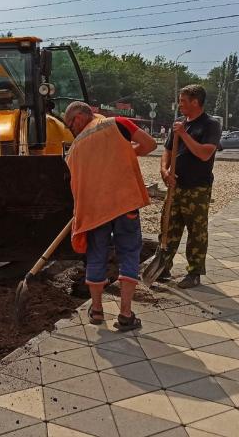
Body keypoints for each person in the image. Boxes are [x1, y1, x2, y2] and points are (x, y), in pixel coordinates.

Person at [64, 102, 157, 331]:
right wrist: (125, 154)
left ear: (78, 118)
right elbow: (150, 144)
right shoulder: (117, 123)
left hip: (96, 211)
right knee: (129, 253)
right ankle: (126, 315)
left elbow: (75, 186)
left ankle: (96, 311)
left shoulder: (74, 149)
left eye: (69, 125)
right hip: (124, 204)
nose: (70, 130)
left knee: (96, 255)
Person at [159, 85, 221, 289]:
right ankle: (163, 267)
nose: (180, 104)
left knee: (197, 231)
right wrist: (164, 170)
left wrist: (184, 135)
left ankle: (194, 272)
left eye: (183, 100)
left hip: (197, 188)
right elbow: (167, 150)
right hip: (175, 185)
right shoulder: (178, 123)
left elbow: (204, 154)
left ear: (195, 102)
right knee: (168, 227)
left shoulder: (210, 125)